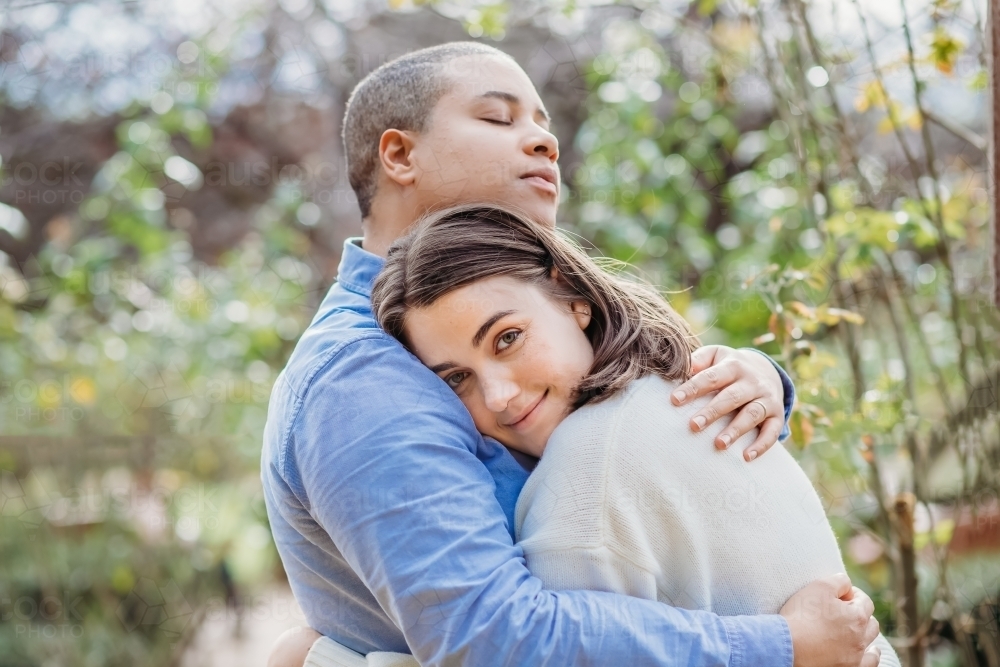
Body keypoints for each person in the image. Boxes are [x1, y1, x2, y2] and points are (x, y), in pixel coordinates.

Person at [263, 42, 881, 667]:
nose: (541, 142)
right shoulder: (363, 375)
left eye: (542, 124)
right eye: (499, 119)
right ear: (399, 154)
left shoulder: (498, 331)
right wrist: (778, 646)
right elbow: (493, 639)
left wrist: (746, 379)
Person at [365, 203, 896, 666]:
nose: (498, 395)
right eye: (457, 378)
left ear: (570, 296)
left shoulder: (585, 475)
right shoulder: (669, 387)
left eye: (507, 338)